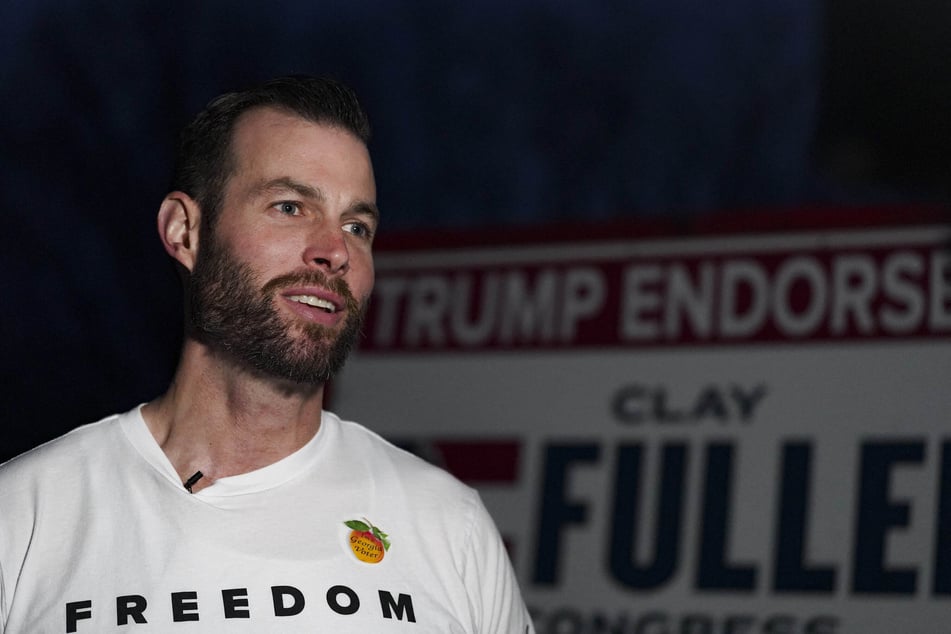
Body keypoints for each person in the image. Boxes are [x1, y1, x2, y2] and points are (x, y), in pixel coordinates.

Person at [0, 76, 534, 633]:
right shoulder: (24, 518)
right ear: (185, 232)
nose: (335, 251)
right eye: (290, 206)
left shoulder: (450, 526)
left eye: (357, 225)